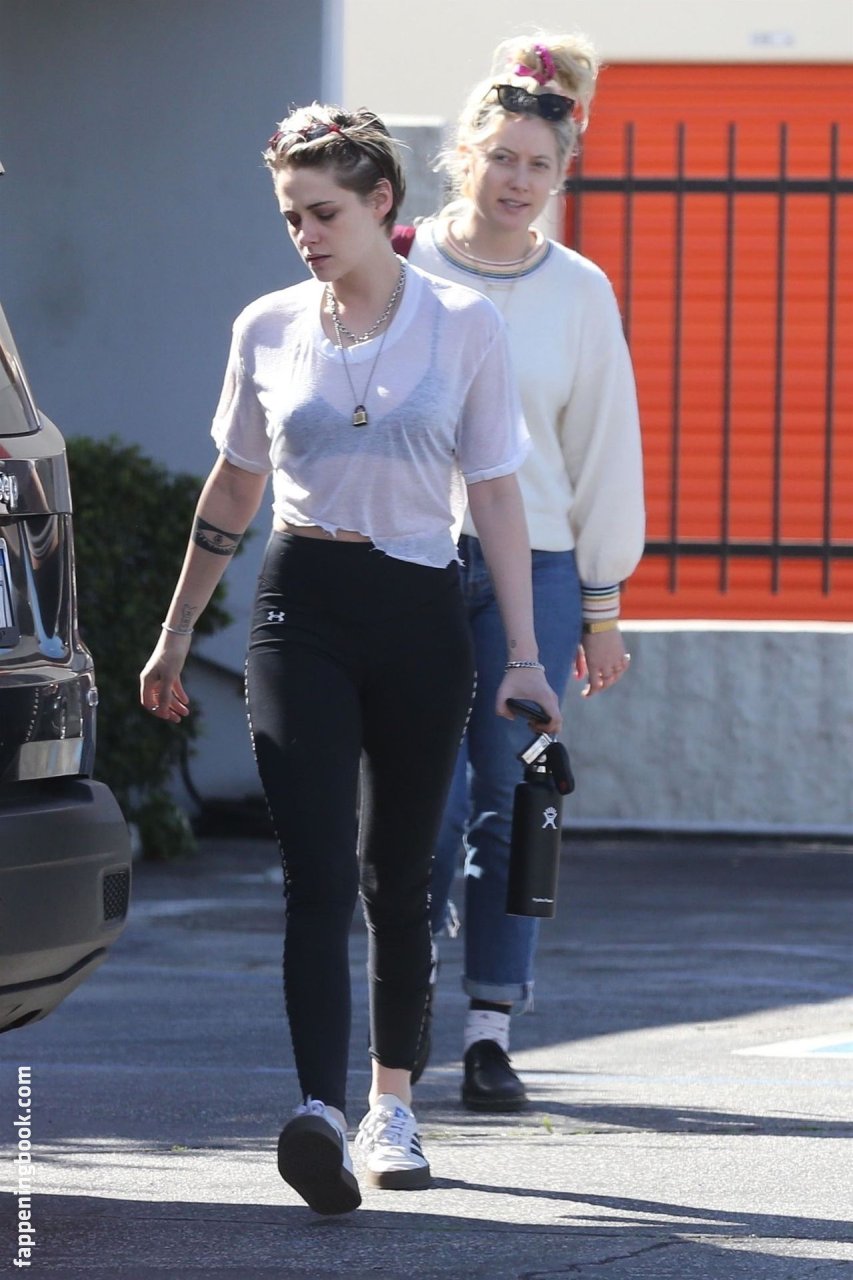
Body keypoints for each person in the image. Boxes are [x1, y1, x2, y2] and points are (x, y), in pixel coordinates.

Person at [138, 102, 561, 1216]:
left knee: (399, 873)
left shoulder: (463, 323)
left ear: (381, 202)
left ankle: (391, 1105)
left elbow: (496, 494)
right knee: (318, 870)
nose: (305, 234)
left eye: (323, 212)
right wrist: (176, 632)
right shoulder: (267, 326)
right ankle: (319, 1112)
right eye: (290, 216)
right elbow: (236, 483)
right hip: (301, 606)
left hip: (421, 607)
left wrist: (524, 655)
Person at [400, 32, 645, 1111]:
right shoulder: (401, 262)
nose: (517, 180)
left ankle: (490, 1027)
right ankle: (400, 1014)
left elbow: (603, 448)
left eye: (539, 164)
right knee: (425, 804)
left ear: (561, 174)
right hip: (409, 558)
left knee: (514, 796)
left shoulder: (580, 291)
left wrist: (601, 607)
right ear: (465, 154)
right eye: (501, 157)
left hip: (537, 570)